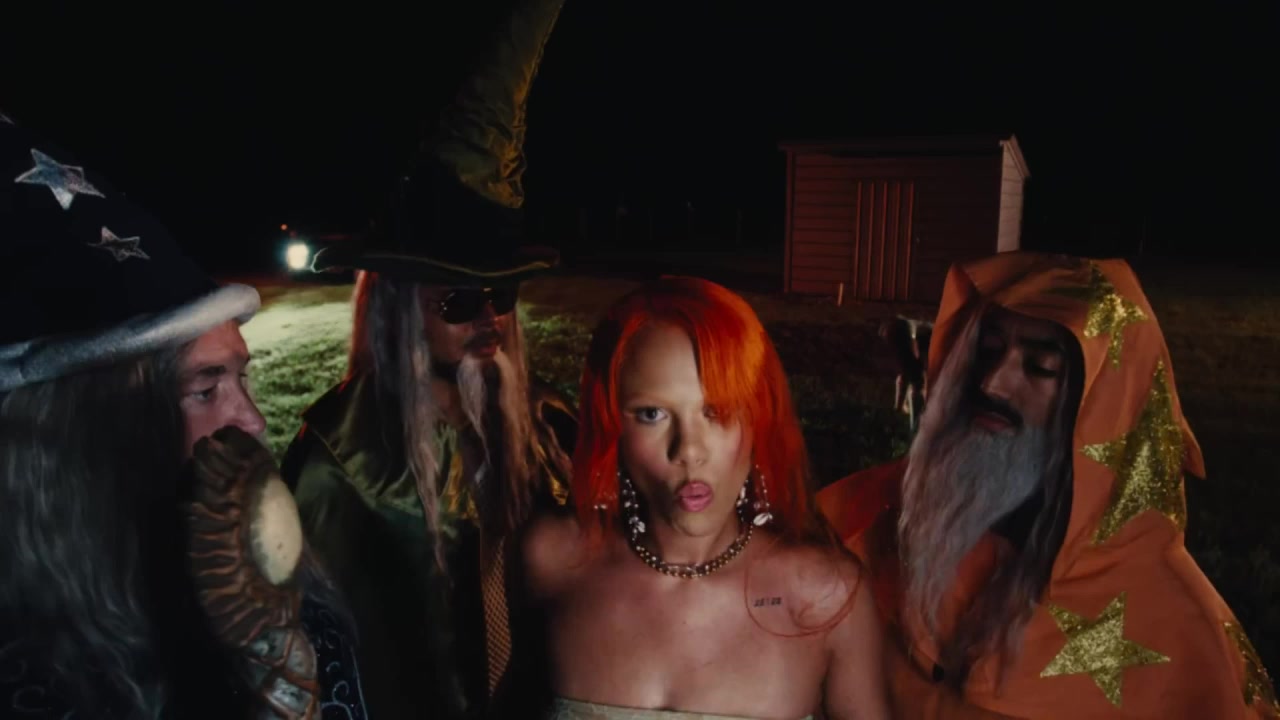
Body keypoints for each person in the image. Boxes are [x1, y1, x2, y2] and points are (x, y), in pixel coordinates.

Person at [0, 113, 366, 718]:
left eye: (240, 378)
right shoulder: (34, 680)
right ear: (93, 432)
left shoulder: (296, 610)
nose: (252, 421)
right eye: (205, 389)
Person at [817, 252, 1279, 719]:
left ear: (1101, 405)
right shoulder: (883, 513)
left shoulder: (1179, 628)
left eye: (1040, 367)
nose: (993, 385)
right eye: (988, 351)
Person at [278, 0, 574, 716]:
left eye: (502, 294)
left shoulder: (550, 429)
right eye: (457, 300)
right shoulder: (339, 459)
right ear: (399, 309)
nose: (488, 318)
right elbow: (304, 648)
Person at [522, 276, 891, 720]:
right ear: (611, 424)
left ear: (758, 419)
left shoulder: (827, 597)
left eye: (716, 411)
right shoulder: (552, 560)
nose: (689, 450)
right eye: (653, 414)